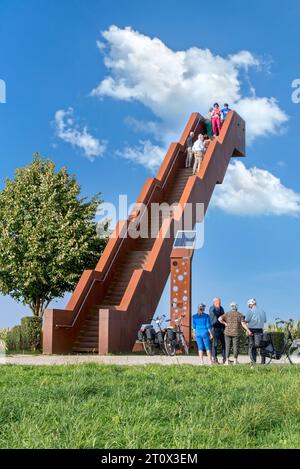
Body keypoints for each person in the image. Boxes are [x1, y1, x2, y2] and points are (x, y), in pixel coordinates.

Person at [245, 299, 267, 364]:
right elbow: (265, 320)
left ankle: (253, 361)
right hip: (260, 330)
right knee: (262, 345)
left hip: (252, 330)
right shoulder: (262, 311)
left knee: (252, 345)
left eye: (249, 305)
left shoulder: (250, 311)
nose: (249, 306)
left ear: (251, 304)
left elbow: (246, 320)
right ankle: (263, 362)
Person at [209, 297, 226, 364]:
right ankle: (215, 359)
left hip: (222, 328)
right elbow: (215, 319)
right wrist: (221, 320)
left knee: (224, 344)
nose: (220, 303)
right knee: (215, 344)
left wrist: (223, 322)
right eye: (218, 302)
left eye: (220, 302)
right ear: (214, 302)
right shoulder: (212, 308)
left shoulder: (221, 308)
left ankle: (225, 359)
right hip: (215, 328)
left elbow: (223, 316)